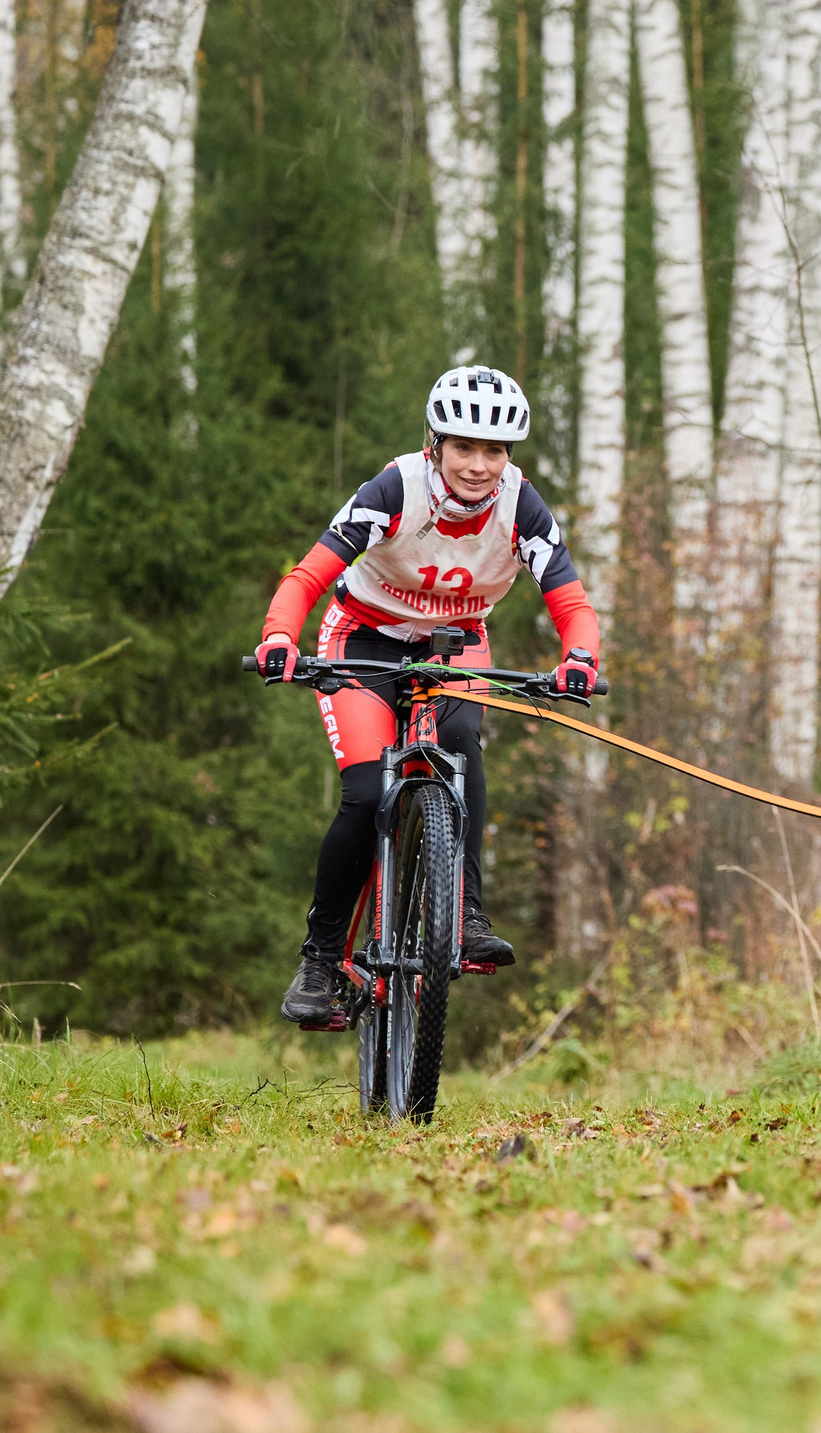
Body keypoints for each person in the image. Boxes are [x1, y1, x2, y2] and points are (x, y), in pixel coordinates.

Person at [254, 367, 601, 1026]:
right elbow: (307, 576)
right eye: (463, 447)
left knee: (462, 742)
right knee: (365, 794)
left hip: (454, 642)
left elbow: (571, 602)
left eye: (494, 451)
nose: (478, 466)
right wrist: (279, 637)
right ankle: (321, 960)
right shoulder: (395, 489)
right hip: (363, 639)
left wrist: (579, 658)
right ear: (435, 444)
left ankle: (464, 911)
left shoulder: (521, 505)